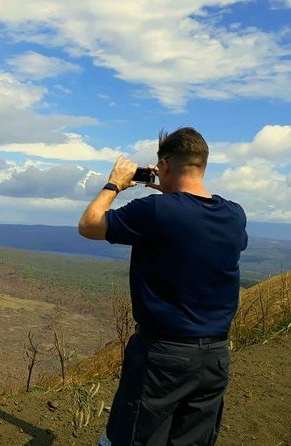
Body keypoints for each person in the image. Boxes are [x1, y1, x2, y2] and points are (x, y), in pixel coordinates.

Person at [78, 127, 247, 446]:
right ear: (202, 165)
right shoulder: (234, 215)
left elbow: (88, 225)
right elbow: (194, 224)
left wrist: (115, 183)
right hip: (214, 358)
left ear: (164, 166)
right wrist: (173, 194)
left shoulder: (156, 211)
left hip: (162, 357)